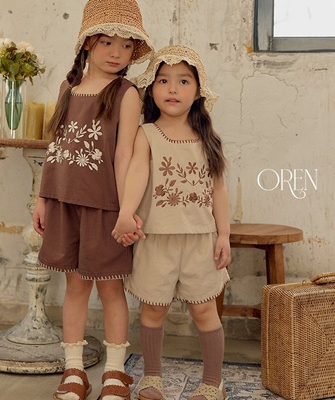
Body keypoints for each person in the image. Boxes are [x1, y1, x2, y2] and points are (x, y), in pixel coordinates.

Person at [32, 1, 153, 400]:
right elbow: (55, 147)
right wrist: (42, 198)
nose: (117, 52)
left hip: (105, 207)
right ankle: (74, 370)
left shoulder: (126, 93)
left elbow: (125, 156)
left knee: (111, 289)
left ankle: (115, 373)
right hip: (64, 202)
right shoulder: (67, 89)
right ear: (87, 43)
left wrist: (125, 211)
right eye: (107, 42)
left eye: (126, 45)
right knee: (76, 286)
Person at [111, 45, 231, 400]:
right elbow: (136, 172)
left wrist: (224, 234)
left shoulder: (208, 139)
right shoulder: (146, 133)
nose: (173, 89)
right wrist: (126, 212)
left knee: (205, 310)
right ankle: (152, 378)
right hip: (155, 239)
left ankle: (213, 383)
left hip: (200, 241)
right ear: (151, 89)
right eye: (163, 81)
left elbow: (219, 191)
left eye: (183, 81)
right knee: (153, 310)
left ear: (198, 91)